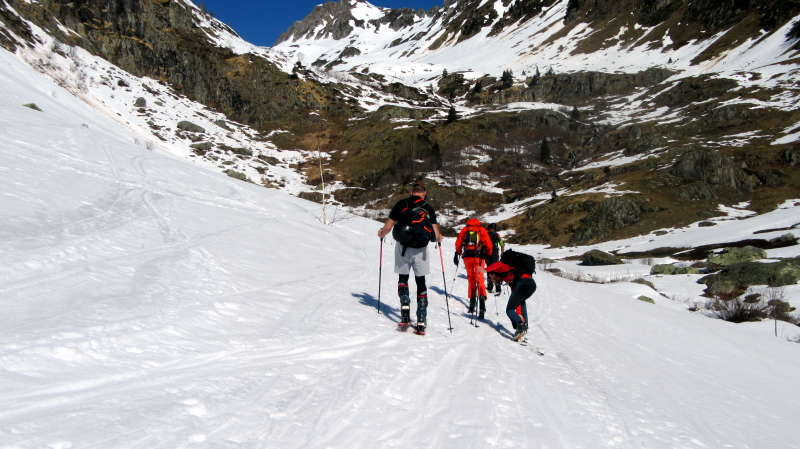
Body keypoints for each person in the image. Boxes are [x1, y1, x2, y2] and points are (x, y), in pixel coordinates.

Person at [377, 182, 443, 335]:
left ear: (411, 192)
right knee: (421, 281)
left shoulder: (402, 204)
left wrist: (381, 233)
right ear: (424, 193)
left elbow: (388, 227)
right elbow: (436, 235)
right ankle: (421, 319)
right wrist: (440, 237)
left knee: (403, 278)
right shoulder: (428, 208)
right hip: (421, 249)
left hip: (403, 247)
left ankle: (405, 308)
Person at [486, 250, 537, 341]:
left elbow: (500, 264)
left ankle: (520, 326)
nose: (491, 280)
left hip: (523, 283)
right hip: (531, 284)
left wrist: (486, 269)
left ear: (492, 274)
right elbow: (516, 299)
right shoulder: (509, 277)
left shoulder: (501, 269)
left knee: (509, 309)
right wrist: (519, 314)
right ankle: (524, 325)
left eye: (490, 277)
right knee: (520, 301)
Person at [454, 218, 493, 319]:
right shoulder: (481, 229)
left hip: (467, 256)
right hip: (479, 257)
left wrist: (458, 252)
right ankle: (482, 305)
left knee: (471, 279)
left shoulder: (465, 229)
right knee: (479, 279)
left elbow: (459, 242)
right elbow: (488, 244)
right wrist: (489, 254)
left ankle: (472, 304)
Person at [485, 223, 505, 296]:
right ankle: (498, 287)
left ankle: (490, 286)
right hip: (495, 253)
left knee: (489, 269)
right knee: (495, 269)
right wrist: (502, 253)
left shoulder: (486, 235)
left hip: (487, 253)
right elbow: (502, 244)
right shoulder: (497, 235)